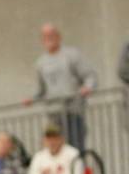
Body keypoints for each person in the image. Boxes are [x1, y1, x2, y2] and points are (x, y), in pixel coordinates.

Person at [24, 23, 97, 151]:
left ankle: (77, 168)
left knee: (75, 146)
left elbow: (89, 75)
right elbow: (40, 89)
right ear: (42, 40)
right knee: (56, 147)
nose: (49, 38)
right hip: (53, 112)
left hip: (73, 109)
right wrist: (31, 98)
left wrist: (87, 87)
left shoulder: (72, 55)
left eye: (52, 35)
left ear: (58, 37)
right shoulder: (41, 63)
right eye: (45, 36)